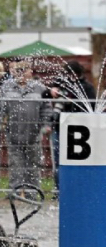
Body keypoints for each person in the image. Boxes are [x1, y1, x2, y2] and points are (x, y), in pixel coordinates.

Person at [0, 59, 52, 191]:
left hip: (34, 134)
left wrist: (46, 125)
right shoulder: (6, 87)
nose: (21, 73)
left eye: (24, 70)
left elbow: (46, 108)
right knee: (15, 166)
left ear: (30, 72)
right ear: (14, 72)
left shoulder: (40, 88)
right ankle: (13, 195)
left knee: (33, 166)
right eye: (19, 70)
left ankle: (32, 194)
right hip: (13, 133)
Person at [44, 60, 96, 194]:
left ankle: (76, 189)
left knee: (76, 160)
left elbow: (91, 107)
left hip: (78, 129)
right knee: (58, 159)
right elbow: (44, 94)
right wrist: (52, 90)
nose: (68, 77)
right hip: (59, 127)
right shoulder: (60, 84)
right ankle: (59, 190)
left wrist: (71, 101)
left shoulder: (87, 87)